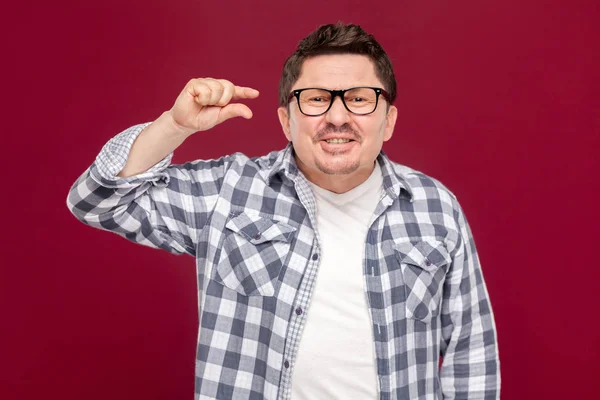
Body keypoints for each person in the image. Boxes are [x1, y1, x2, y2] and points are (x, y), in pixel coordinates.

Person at [67, 22, 500, 400]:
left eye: (360, 99)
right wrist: (174, 126)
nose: (337, 116)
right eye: (315, 99)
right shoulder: (229, 192)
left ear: (388, 120)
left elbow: (471, 351)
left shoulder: (435, 207)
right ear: (285, 120)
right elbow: (96, 201)